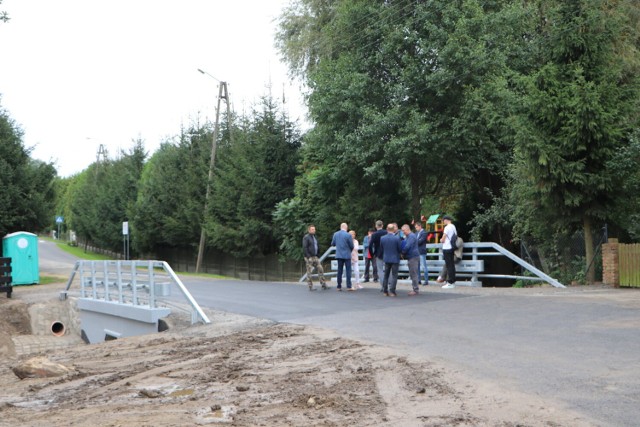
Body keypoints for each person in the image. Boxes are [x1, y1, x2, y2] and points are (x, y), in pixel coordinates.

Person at [302, 224, 328, 291]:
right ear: (309, 230)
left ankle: (323, 283)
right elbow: (305, 247)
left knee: (320, 268)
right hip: (309, 257)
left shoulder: (314, 237)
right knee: (309, 271)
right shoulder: (306, 237)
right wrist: (308, 256)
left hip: (315, 256)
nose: (314, 230)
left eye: (314, 229)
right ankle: (310, 286)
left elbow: (317, 246)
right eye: (312, 229)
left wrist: (318, 254)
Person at [378, 223, 402, 297]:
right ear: (394, 229)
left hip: (386, 258)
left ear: (387, 229)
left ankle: (385, 291)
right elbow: (399, 249)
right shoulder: (397, 238)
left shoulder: (382, 238)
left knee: (386, 275)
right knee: (394, 275)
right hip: (395, 258)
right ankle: (392, 291)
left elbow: (381, 249)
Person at [331, 223, 354, 291]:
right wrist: (349, 250)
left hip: (339, 254)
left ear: (340, 227)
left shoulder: (336, 234)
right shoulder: (348, 235)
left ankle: (339, 286)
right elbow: (351, 246)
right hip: (347, 255)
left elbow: (332, 244)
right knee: (348, 271)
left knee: (339, 271)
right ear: (346, 228)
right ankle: (349, 286)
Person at [401, 224, 420, 296]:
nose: (403, 232)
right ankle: (415, 288)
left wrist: (402, 253)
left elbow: (407, 246)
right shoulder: (410, 236)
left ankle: (415, 289)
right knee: (413, 273)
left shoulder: (411, 236)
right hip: (412, 256)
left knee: (413, 273)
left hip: (413, 257)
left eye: (403, 230)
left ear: (407, 229)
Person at [440, 215, 457, 289]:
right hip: (452, 247)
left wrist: (441, 240)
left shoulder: (447, 227)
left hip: (447, 247)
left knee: (448, 265)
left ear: (446, 220)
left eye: (443, 220)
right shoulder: (453, 226)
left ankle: (450, 282)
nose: (443, 222)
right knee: (452, 265)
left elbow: (443, 239)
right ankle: (452, 281)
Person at [369, 220, 387, 289]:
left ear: (376, 226)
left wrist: (372, 254)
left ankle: (383, 285)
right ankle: (390, 284)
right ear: (382, 225)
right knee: (388, 269)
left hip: (378, 253)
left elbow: (370, 245)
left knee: (380, 270)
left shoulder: (374, 234)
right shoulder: (386, 232)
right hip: (386, 252)